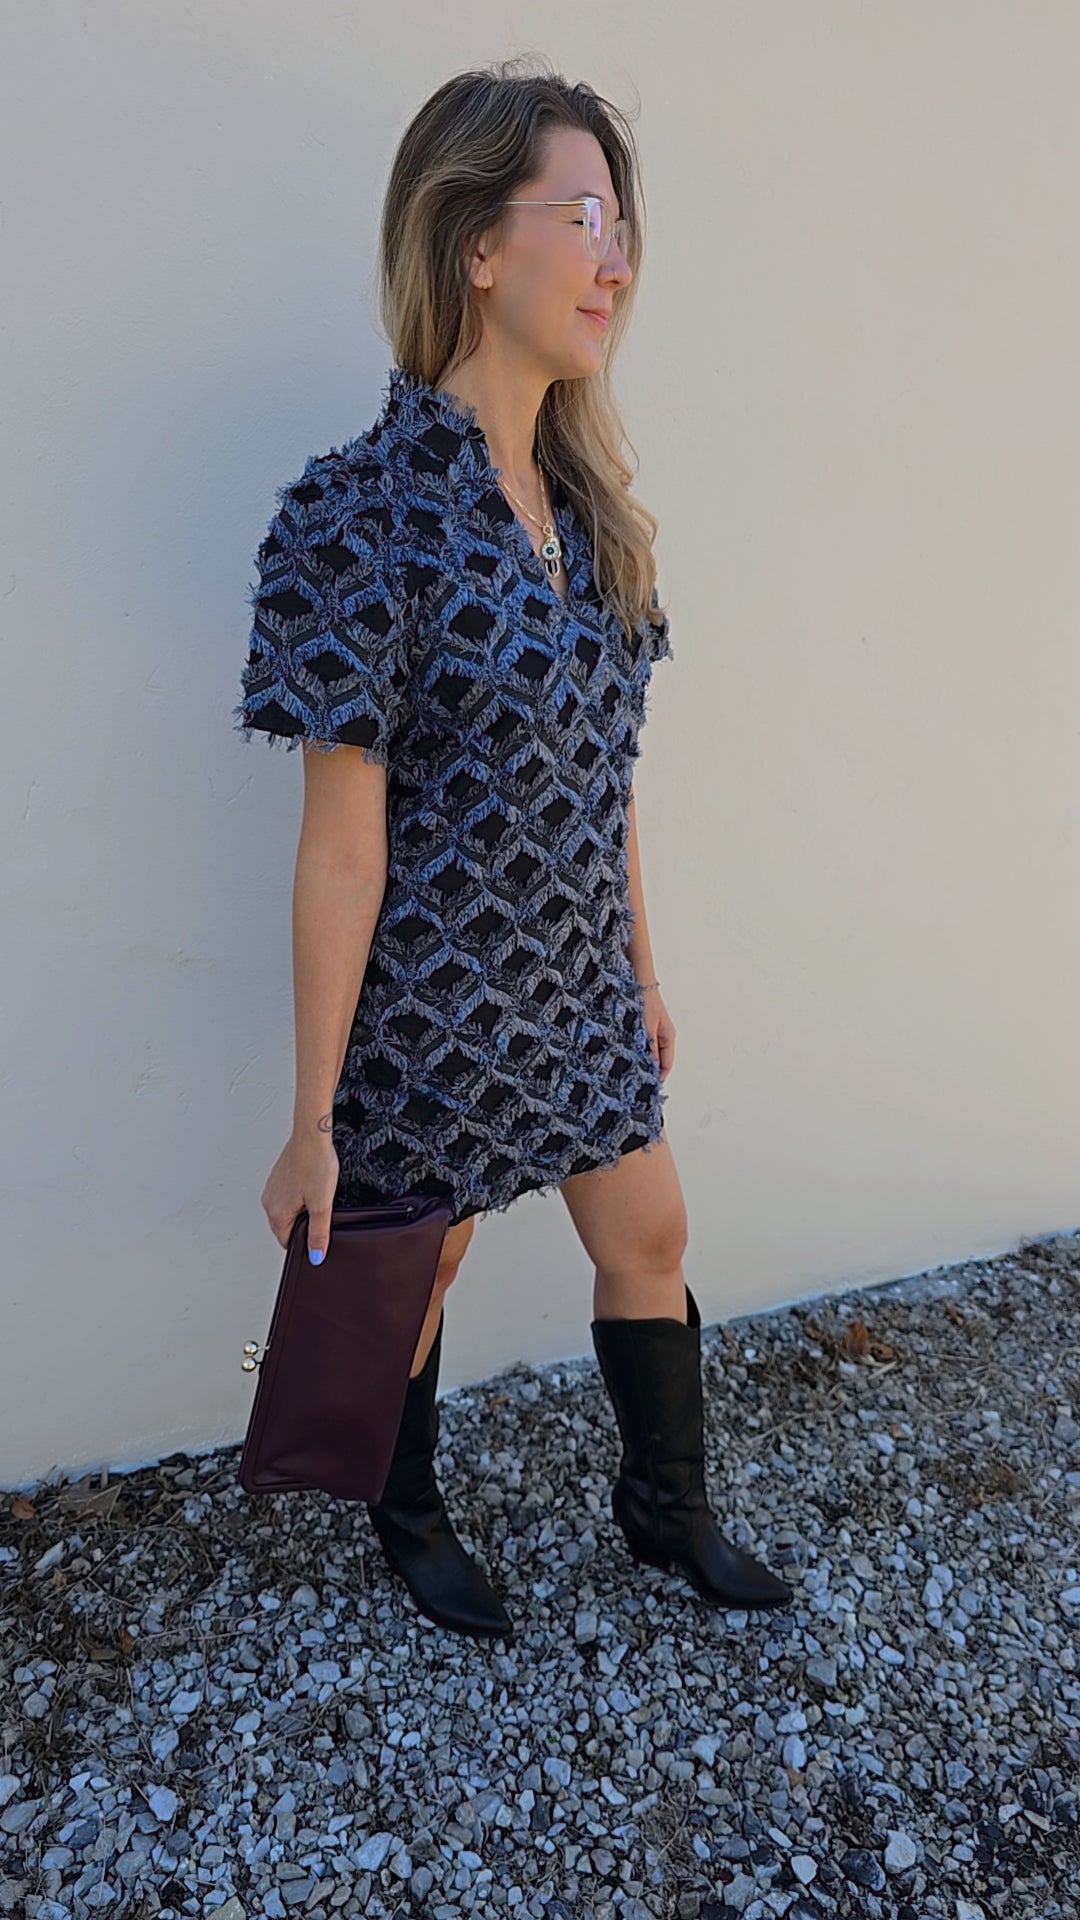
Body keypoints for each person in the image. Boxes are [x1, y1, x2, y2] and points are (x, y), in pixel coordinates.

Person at [234, 59, 793, 1640]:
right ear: (479, 244)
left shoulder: (592, 511)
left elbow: (607, 772)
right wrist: (310, 1116)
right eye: (584, 217)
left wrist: (641, 961)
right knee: (416, 1281)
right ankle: (408, 1517)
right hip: (432, 1001)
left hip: (575, 981)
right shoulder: (362, 516)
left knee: (654, 1234)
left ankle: (664, 1509)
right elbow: (342, 850)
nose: (615, 259)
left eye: (624, 227)